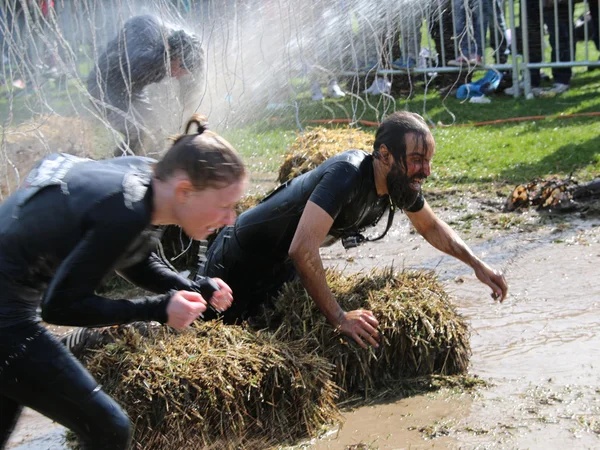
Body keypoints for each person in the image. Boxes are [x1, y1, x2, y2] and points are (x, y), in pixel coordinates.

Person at [0, 115, 246, 450]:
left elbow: (136, 257)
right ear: (185, 190)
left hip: (10, 308)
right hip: (7, 319)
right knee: (110, 429)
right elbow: (60, 306)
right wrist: (159, 309)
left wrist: (192, 288)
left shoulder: (144, 179)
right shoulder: (128, 208)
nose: (230, 218)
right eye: (225, 207)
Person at [199, 111, 508, 349]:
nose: (425, 171)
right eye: (416, 160)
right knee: (206, 337)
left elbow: (430, 226)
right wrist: (339, 318)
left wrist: (477, 265)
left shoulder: (400, 184)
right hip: (238, 263)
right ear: (385, 155)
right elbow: (302, 249)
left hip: (282, 273)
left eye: (428, 161)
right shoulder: (347, 174)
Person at [87, 14, 204, 156]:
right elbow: (138, 27)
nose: (178, 76)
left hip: (133, 90)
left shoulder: (171, 53)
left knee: (156, 134)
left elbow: (187, 84)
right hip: (104, 86)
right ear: (173, 55)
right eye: (180, 69)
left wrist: (185, 108)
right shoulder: (147, 58)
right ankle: (113, 168)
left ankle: (152, 170)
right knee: (138, 133)